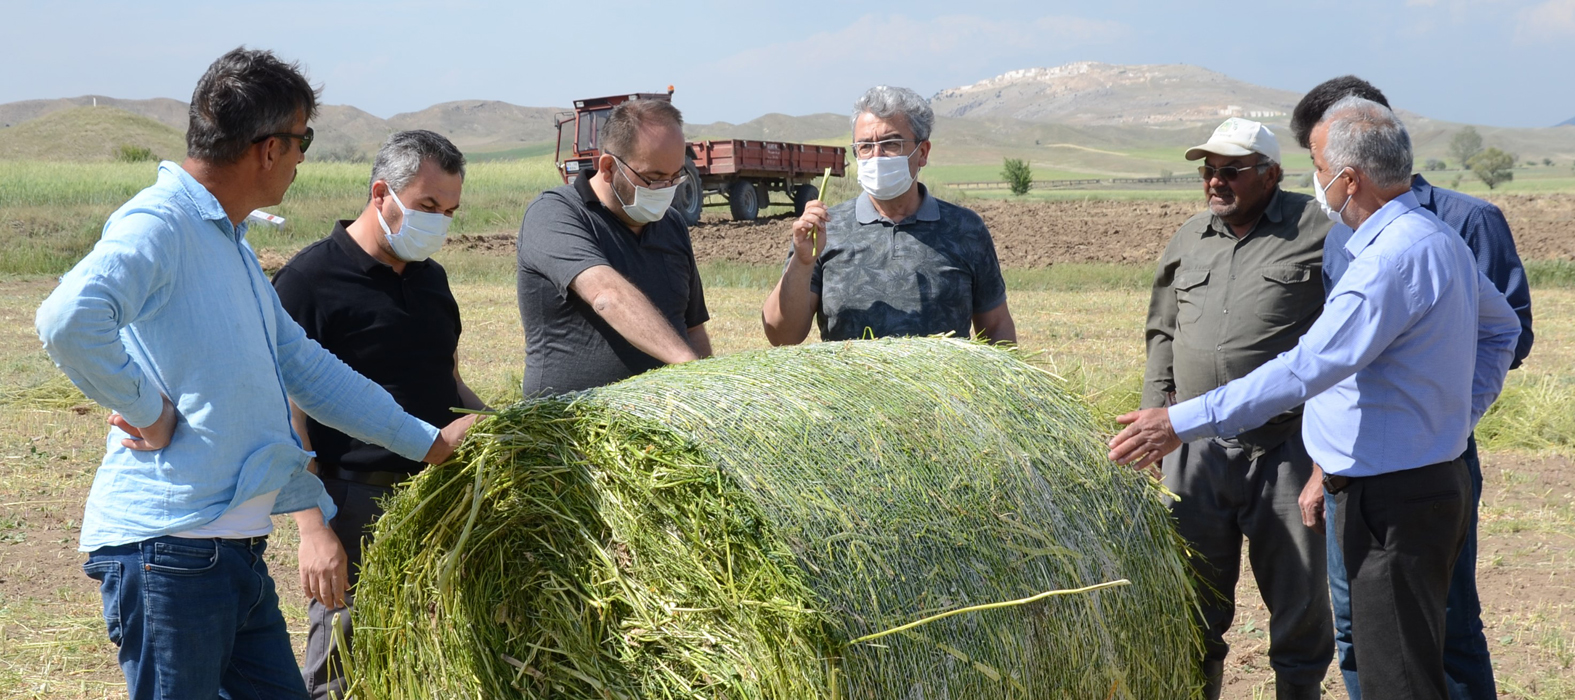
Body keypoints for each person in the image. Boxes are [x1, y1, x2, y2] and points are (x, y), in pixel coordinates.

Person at [32, 48, 476, 699]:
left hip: (233, 551)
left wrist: (427, 442)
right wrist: (147, 410)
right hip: (169, 551)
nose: (302, 160)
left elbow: (308, 369)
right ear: (268, 149)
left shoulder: (226, 241)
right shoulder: (162, 223)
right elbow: (68, 319)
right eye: (302, 142)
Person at [1108, 97, 1520, 700]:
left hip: (1389, 498)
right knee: (1404, 661)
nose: (1316, 179)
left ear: (1349, 179)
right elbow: (1501, 329)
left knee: (1396, 678)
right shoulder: (1434, 236)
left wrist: (1180, 420)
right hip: (1427, 476)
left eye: (1318, 165)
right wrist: (1457, 417)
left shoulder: (1387, 261)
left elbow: (1305, 367)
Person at [1289, 76, 1535, 700]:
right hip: (1351, 469)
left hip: (1429, 463)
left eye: (1320, 161)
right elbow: (1336, 360)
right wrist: (1323, 465)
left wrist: (1445, 415)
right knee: (1359, 629)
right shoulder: (1344, 234)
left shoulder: (1467, 221)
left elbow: (1508, 335)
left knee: (1444, 628)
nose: (1317, 177)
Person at [272, 129, 486, 699]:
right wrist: (312, 527)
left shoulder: (431, 279)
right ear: (380, 194)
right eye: (428, 207)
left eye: (450, 212)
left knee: (423, 655)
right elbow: (286, 414)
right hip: (353, 498)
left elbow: (448, 377)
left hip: (436, 492)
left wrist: (497, 421)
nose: (439, 223)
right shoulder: (307, 282)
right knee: (341, 662)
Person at [1143, 118, 1333, 700]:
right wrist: (1157, 417)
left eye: (1231, 171)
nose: (1215, 182)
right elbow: (1161, 332)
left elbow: (1348, 346)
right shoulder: (1189, 237)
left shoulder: (1321, 232)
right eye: (1208, 170)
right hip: (1196, 453)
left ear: (1271, 174)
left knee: (1299, 609)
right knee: (1190, 606)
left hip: (1288, 449)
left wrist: (1328, 458)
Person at [761, 85, 1015, 345]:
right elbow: (782, 336)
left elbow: (995, 327)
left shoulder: (964, 228)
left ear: (923, 152)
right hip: (850, 385)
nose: (877, 156)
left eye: (891, 143)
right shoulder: (826, 228)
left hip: (940, 386)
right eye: (865, 146)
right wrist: (802, 262)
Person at [516, 99, 710, 395]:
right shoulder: (554, 214)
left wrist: (709, 392)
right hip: (572, 426)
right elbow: (607, 295)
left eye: (675, 177)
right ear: (608, 167)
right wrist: (688, 366)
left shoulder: (671, 224)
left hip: (663, 421)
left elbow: (692, 327)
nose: (666, 190)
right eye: (654, 178)